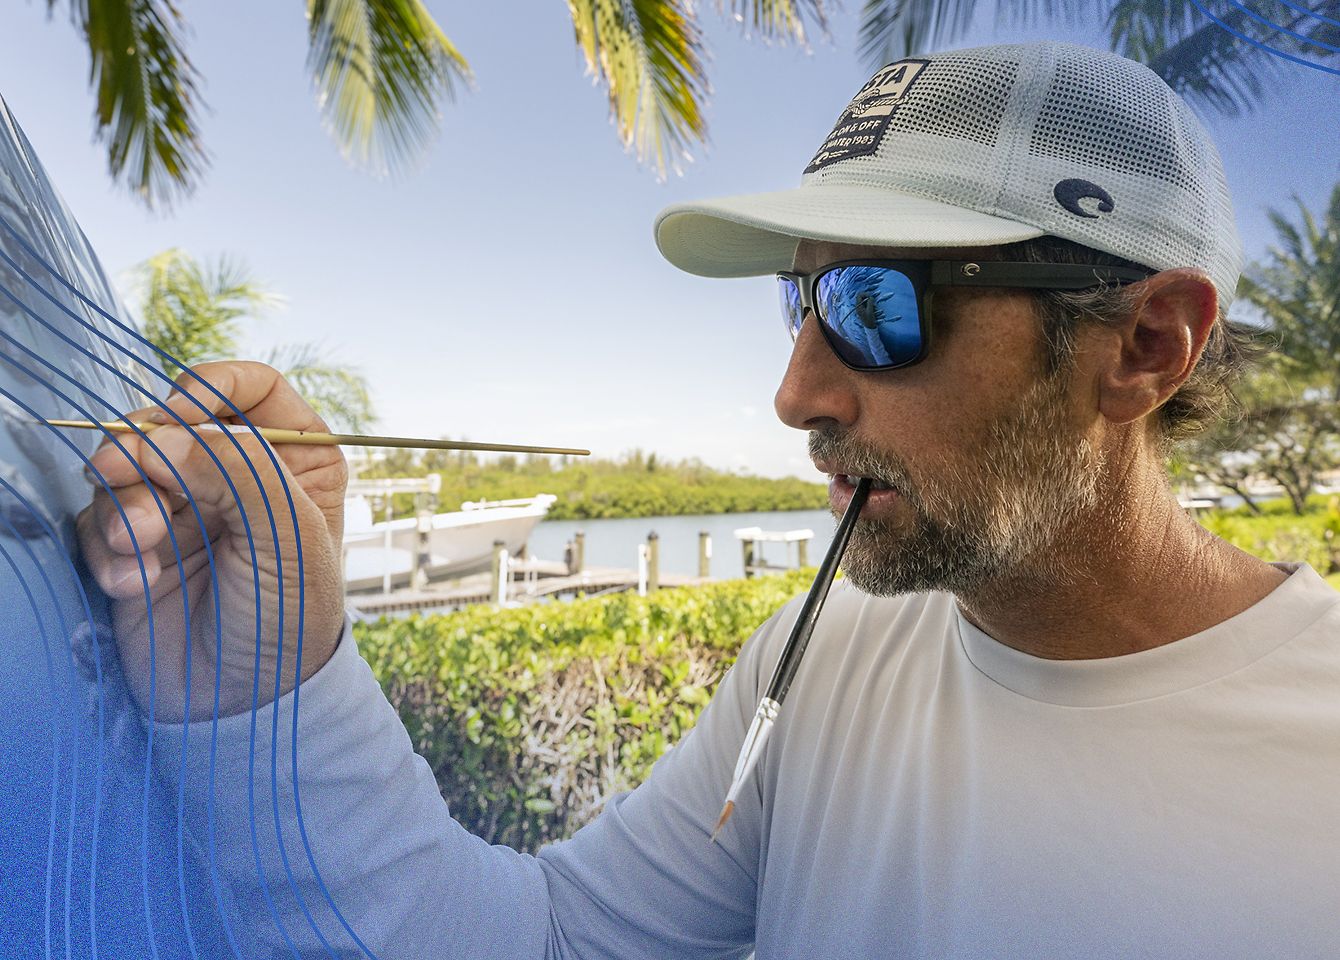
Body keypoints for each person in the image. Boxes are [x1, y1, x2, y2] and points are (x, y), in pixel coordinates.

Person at [78, 40, 1340, 959]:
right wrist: (271, 682)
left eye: (873, 307)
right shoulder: (828, 655)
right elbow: (547, 942)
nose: (794, 391)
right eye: (798, 301)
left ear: (1145, 345)